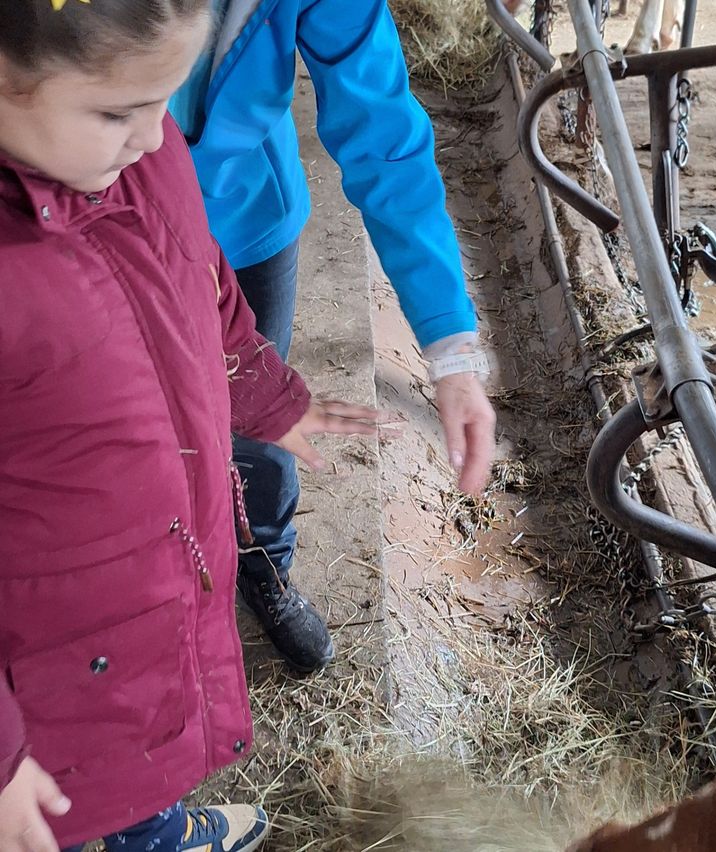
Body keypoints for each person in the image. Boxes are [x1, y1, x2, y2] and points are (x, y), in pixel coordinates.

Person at [0, 2, 383, 850]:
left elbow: (201, 284)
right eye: (116, 113)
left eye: (161, 104)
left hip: (151, 575)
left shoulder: (145, 158)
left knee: (142, 753)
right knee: (76, 782)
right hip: (52, 634)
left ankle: (162, 833)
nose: (149, 138)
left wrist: (271, 401)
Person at [170, 0, 498, 674]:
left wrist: (453, 350)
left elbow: (380, 128)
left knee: (257, 423)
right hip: (97, 213)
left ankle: (263, 564)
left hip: (245, 214)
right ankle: (158, 597)